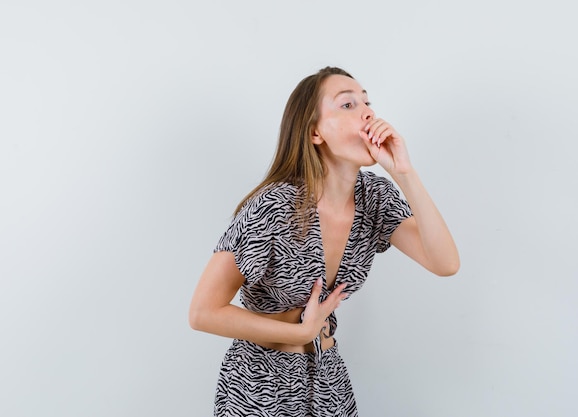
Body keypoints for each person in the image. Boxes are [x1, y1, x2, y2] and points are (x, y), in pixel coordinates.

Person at [189, 66, 460, 416]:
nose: (367, 112)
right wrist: (299, 334)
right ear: (315, 132)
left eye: (367, 102)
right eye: (347, 105)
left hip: (329, 381)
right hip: (260, 386)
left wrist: (403, 173)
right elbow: (202, 312)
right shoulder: (274, 206)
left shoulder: (375, 198)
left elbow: (445, 263)